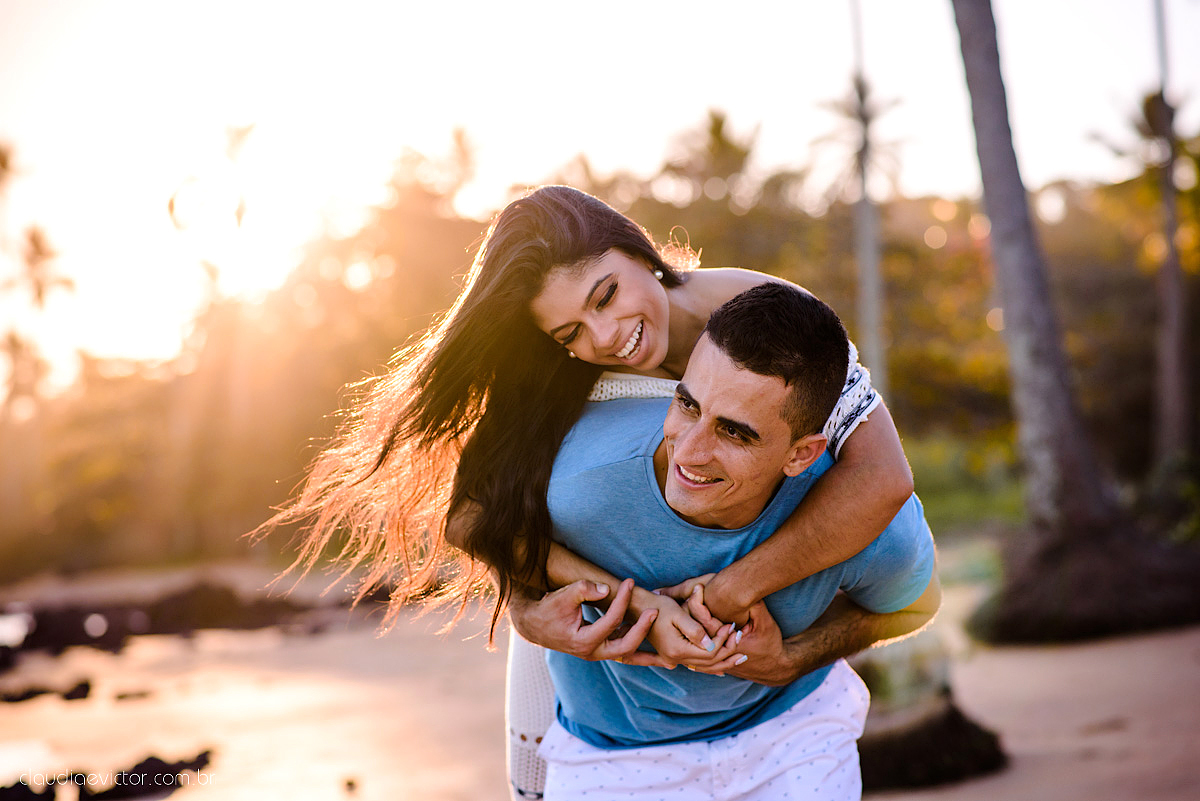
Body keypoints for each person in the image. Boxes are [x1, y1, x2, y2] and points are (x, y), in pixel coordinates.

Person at [261, 186, 914, 799]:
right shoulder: (560, 374)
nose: (603, 339)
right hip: (585, 682)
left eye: (605, 296)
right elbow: (472, 515)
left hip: (772, 715)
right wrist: (541, 604)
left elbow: (881, 479)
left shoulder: (769, 320)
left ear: (637, 250)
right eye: (569, 332)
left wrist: (728, 592)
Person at [534, 283, 939, 799]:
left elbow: (918, 605)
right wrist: (529, 607)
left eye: (734, 433)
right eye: (687, 404)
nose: (689, 453)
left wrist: (794, 658)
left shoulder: (868, 523)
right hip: (613, 755)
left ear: (802, 454)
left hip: (796, 734)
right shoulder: (580, 481)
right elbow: (484, 529)